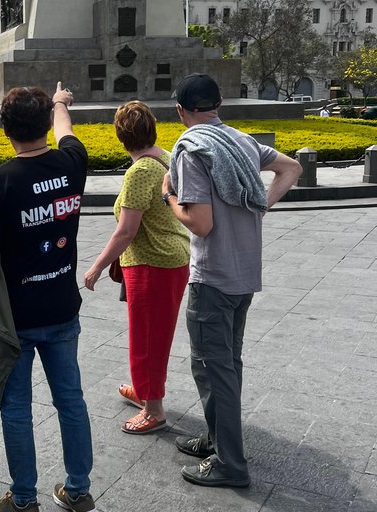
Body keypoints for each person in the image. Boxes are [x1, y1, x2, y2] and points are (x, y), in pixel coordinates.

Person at [163, 73, 302, 487]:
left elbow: (200, 224)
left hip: (213, 277)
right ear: (219, 102)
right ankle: (215, 438)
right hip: (244, 274)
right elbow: (291, 168)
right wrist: (261, 206)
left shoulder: (192, 150)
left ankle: (230, 465)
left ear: (181, 111)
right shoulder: (240, 141)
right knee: (221, 365)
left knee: (213, 367)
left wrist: (169, 196)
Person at [0, 83, 96, 512]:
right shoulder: (73, 163)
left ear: (5, 130)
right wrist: (60, 103)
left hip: (14, 319)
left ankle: (23, 500)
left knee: (17, 406)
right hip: (62, 306)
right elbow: (67, 130)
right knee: (70, 399)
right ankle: (77, 490)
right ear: (43, 125)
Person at [83, 101, 190, 434]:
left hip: (151, 264)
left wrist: (97, 266)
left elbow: (126, 231)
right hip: (171, 257)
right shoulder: (166, 156)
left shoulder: (140, 171)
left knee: (147, 339)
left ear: (121, 137)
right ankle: (145, 392)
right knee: (153, 334)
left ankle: (153, 409)